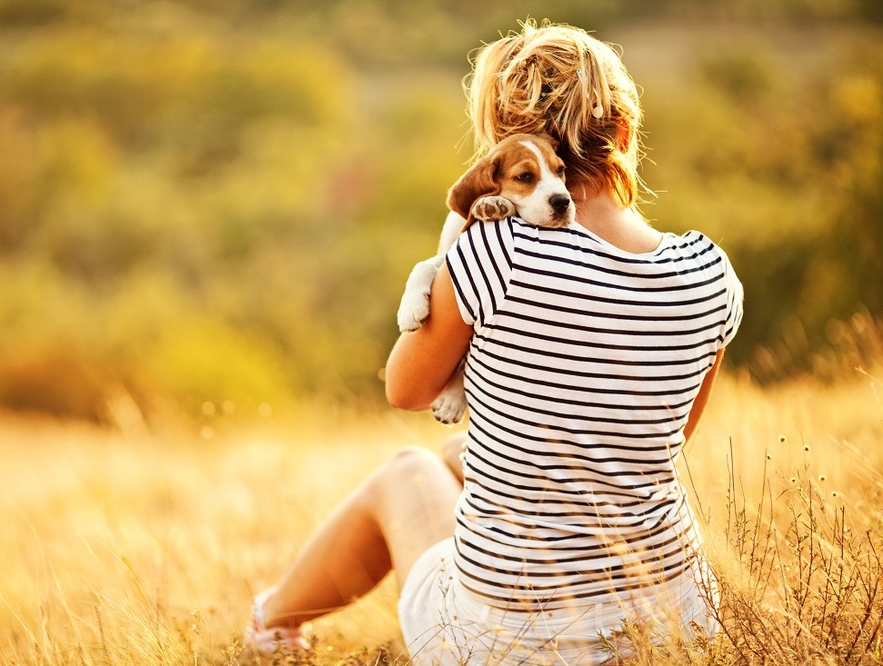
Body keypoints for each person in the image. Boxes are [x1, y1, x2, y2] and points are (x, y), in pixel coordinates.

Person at [244, 19, 743, 665]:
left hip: (513, 642)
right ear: (623, 131)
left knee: (409, 470)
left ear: (506, 140)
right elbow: (667, 437)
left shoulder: (495, 249)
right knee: (459, 454)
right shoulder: (709, 272)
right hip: (674, 625)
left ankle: (271, 624)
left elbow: (406, 388)